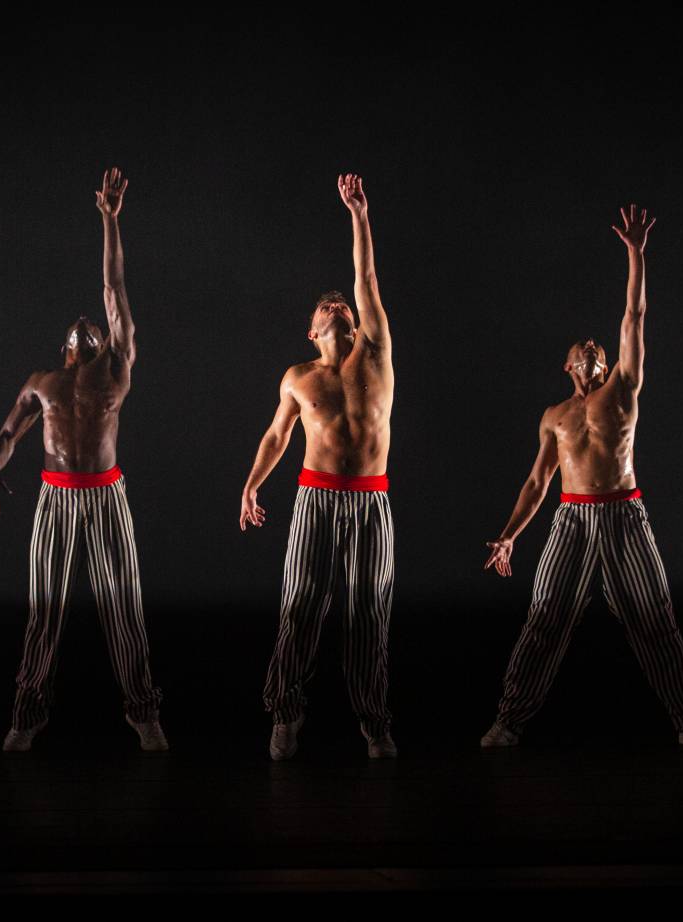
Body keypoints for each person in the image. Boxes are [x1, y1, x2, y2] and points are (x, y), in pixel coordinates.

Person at [480, 204, 683, 748]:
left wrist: (636, 254)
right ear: (569, 367)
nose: (590, 345)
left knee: (653, 617)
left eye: (598, 348)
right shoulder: (554, 417)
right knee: (544, 620)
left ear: (606, 362)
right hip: (571, 518)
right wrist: (508, 535)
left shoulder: (622, 391)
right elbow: (536, 482)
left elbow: (634, 318)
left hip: (623, 514)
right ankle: (508, 722)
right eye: (580, 349)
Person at [0, 167, 166, 753]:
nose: (87, 321)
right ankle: (27, 717)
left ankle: (143, 713)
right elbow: (8, 431)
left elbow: (113, 291)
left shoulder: (116, 369)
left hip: (107, 494)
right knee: (45, 613)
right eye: (77, 326)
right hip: (55, 496)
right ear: (65, 345)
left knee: (124, 609)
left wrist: (110, 220)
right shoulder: (44, 383)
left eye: (95, 323)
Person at [239, 174, 397, 761]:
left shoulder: (375, 352)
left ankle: (375, 725)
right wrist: (252, 485)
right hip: (314, 497)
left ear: (354, 322)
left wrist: (359, 215)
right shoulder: (298, 377)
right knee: (301, 603)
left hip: (371, 500)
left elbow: (367, 279)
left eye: (342, 304)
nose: (336, 303)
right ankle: (285, 715)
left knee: (368, 614)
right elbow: (277, 435)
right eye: (323, 306)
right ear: (313, 330)